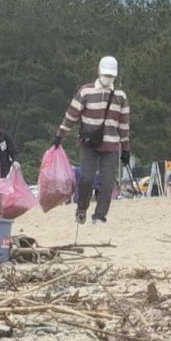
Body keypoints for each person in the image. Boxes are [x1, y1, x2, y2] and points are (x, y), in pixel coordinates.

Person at [53, 55, 130, 224]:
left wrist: (126, 148)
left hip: (111, 145)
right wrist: (60, 135)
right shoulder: (85, 92)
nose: (107, 78)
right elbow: (71, 115)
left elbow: (124, 124)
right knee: (86, 178)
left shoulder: (120, 96)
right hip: (89, 144)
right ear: (99, 72)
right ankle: (82, 208)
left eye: (111, 76)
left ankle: (100, 215)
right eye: (105, 74)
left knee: (107, 182)